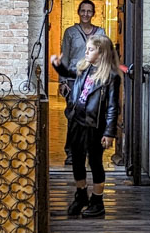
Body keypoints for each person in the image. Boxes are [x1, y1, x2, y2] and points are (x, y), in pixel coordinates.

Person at [51, 34, 121, 219]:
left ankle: (97, 201)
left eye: (90, 49)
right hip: (77, 121)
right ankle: (81, 194)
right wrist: (58, 66)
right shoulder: (85, 68)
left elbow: (113, 107)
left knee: (95, 162)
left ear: (101, 53)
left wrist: (109, 132)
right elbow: (69, 74)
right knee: (77, 159)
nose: (86, 52)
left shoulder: (111, 77)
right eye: (87, 49)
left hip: (94, 125)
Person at [59, 0, 107, 165]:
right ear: (78, 12)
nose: (86, 14)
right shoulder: (70, 32)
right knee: (73, 118)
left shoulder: (100, 32)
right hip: (74, 81)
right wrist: (62, 81)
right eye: (83, 10)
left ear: (93, 13)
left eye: (89, 11)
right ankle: (72, 153)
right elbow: (65, 56)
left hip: (93, 81)